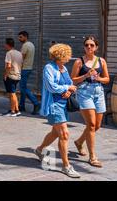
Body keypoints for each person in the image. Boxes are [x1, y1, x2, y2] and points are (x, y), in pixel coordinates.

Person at [35, 44, 80, 178]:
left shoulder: (64, 68)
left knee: (55, 132)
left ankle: (39, 149)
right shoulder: (49, 68)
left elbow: (69, 83)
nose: (69, 57)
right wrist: (67, 87)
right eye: (67, 55)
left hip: (63, 104)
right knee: (64, 134)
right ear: (61, 55)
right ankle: (66, 166)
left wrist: (70, 89)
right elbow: (51, 86)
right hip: (54, 105)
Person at [71, 36, 110, 168]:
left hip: (98, 93)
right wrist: (85, 76)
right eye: (87, 45)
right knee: (91, 124)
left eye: (92, 45)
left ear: (96, 47)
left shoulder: (102, 61)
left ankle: (79, 142)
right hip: (84, 93)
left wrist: (98, 78)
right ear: (84, 47)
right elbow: (73, 80)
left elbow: (107, 79)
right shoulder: (79, 62)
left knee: (97, 126)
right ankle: (92, 157)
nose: (89, 47)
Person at [18, 31, 41, 114]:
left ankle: (36, 103)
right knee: (23, 88)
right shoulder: (31, 45)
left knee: (23, 88)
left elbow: (21, 59)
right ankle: (22, 106)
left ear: (25, 37)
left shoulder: (25, 46)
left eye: (20, 37)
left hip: (24, 69)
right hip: (28, 68)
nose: (19, 39)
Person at [0, 38, 23, 117]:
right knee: (13, 94)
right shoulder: (19, 53)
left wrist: (5, 74)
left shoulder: (9, 53)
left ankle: (12, 111)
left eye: (5, 44)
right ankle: (17, 110)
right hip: (18, 75)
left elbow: (8, 66)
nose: (4, 45)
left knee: (11, 94)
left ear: (7, 44)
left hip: (11, 76)